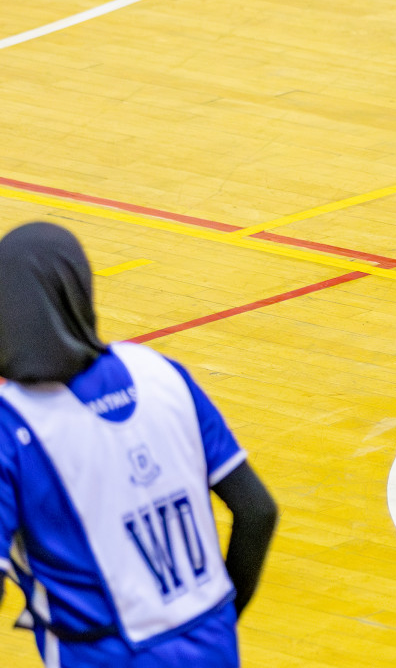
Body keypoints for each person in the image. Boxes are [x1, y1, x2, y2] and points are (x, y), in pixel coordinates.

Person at [0, 222, 278, 667]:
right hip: (211, 644)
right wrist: (219, 618)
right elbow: (257, 510)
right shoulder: (159, 372)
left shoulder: (12, 424)